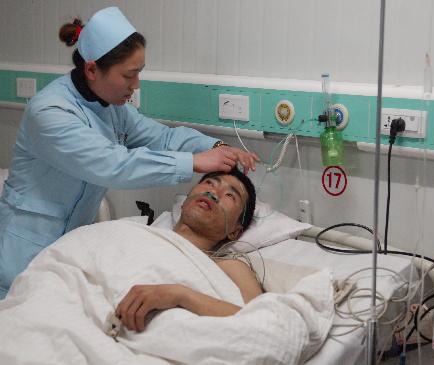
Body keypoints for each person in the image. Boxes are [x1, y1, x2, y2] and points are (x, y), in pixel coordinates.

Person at [0, 7, 259, 299]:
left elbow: (161, 136)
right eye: (129, 75)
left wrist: (213, 147)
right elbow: (113, 164)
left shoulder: (112, 108)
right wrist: (194, 163)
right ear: (92, 70)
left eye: (139, 72)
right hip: (23, 252)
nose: (136, 85)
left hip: (69, 252)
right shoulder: (49, 111)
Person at [116, 168, 263, 332]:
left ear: (235, 231)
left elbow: (260, 324)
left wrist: (180, 295)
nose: (213, 193)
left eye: (230, 195)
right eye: (209, 183)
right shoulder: (129, 231)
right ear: (185, 202)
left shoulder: (227, 265)